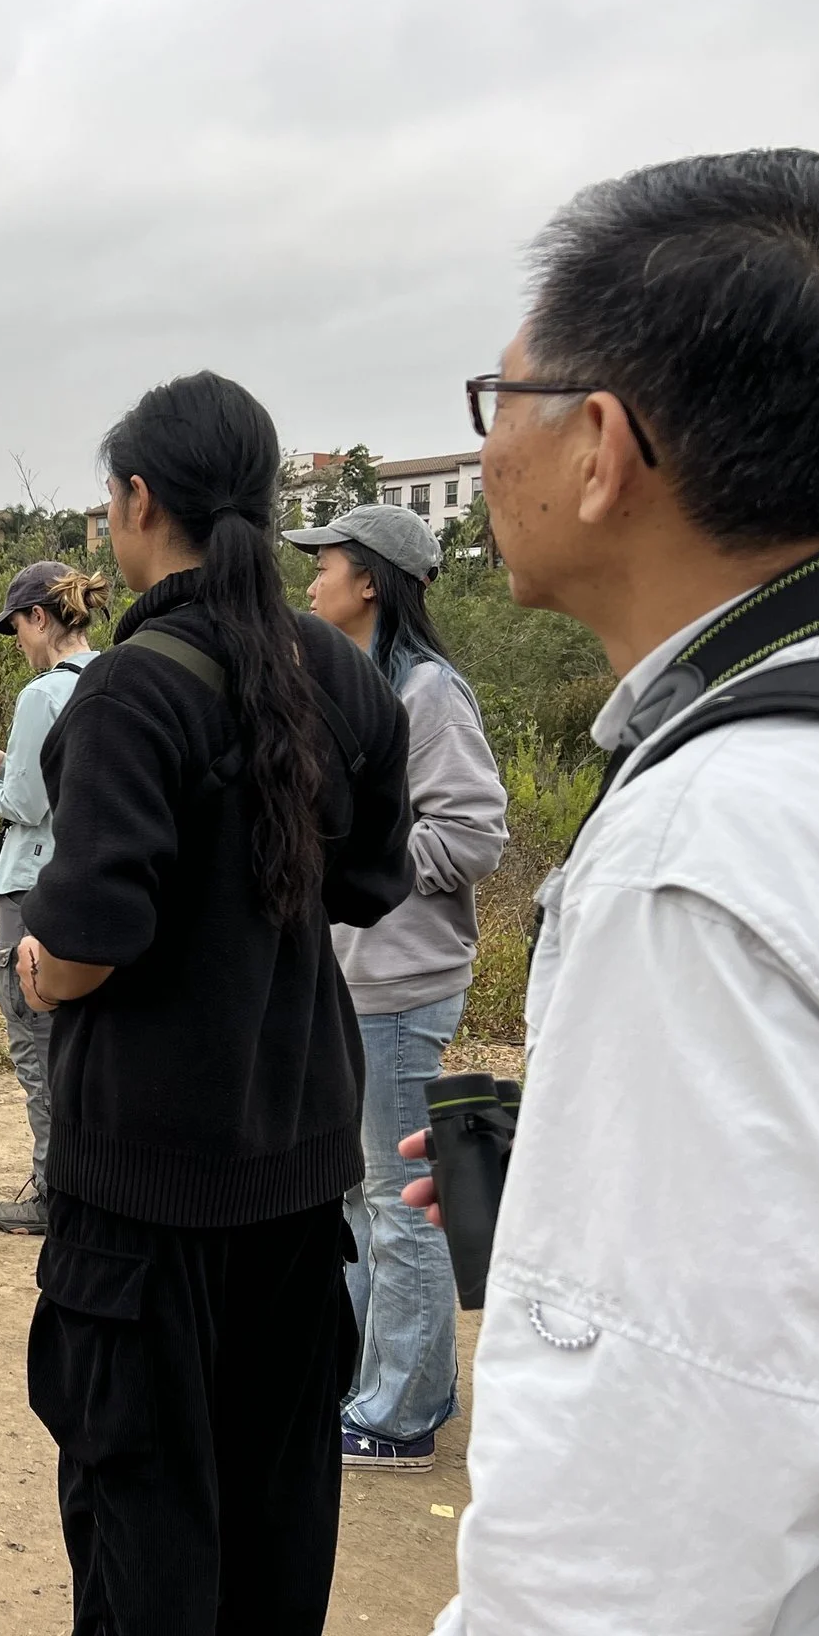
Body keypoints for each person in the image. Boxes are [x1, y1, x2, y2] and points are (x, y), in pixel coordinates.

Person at [404, 152, 819, 1636]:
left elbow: (654, 1466)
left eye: (506, 393)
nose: (489, 443)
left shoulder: (711, 845)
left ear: (603, 448)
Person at [0, 371, 413, 1636]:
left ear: (137, 504)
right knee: (281, 1453)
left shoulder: (131, 690)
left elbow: (93, 930)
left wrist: (43, 968)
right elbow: (369, 878)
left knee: (138, 1468)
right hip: (298, 1143)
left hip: (149, 1169)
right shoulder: (341, 674)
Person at [286, 505, 507, 1470]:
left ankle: (400, 1414)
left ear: (370, 579)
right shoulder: (356, 686)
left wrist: (356, 850)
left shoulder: (427, 692)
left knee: (401, 1197)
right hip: (355, 978)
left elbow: (473, 835)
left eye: (325, 563)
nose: (310, 579)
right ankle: (385, 1385)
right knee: (364, 1198)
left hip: (401, 981)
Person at [0, 560, 109, 1234]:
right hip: (88, 883)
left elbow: (25, 803)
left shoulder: (41, 694)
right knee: (84, 1047)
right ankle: (91, 1185)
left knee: (36, 1047)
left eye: (15, 625)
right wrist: (9, 762)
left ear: (38, 617)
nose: (15, 638)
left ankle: (53, 1191)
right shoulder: (111, 677)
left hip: (31, 888)